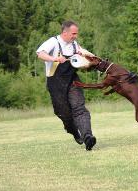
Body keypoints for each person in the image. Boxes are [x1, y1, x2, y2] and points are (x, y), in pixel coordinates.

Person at [36, 20, 97, 150]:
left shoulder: (74, 44)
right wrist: (54, 59)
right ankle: (75, 132)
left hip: (72, 81)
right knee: (64, 113)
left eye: (76, 34)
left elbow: (85, 53)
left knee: (79, 108)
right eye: (73, 34)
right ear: (65, 32)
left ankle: (88, 137)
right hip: (55, 84)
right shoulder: (54, 42)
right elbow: (40, 53)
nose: (75, 36)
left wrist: (96, 60)